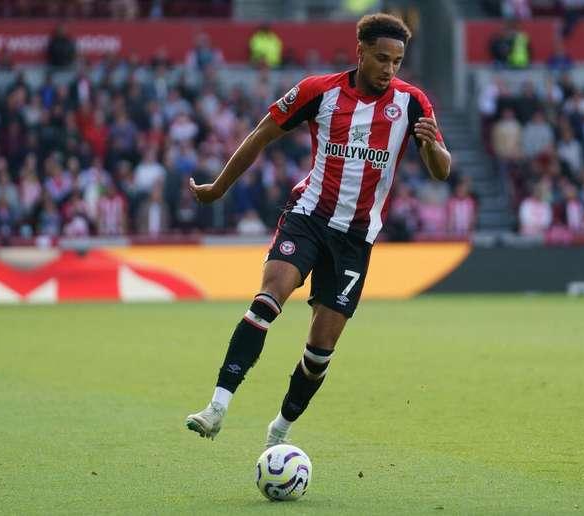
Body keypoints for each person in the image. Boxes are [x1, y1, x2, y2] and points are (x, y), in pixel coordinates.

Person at [185, 13, 451, 446]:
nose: (388, 69)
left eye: (397, 61)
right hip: (308, 216)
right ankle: (216, 407)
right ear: (361, 51)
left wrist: (434, 146)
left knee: (320, 350)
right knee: (268, 300)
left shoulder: (413, 103)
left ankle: (279, 432)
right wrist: (218, 188)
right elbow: (261, 134)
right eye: (381, 58)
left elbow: (441, 170)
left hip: (356, 238)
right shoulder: (319, 91)